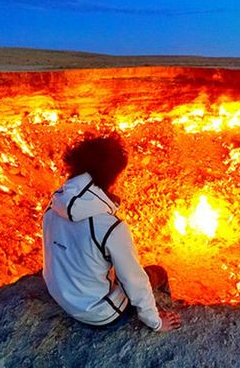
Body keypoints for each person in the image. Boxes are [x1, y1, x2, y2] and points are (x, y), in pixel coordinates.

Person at [42, 135, 181, 332]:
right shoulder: (109, 226)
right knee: (156, 273)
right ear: (112, 176)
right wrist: (155, 322)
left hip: (61, 296)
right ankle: (164, 306)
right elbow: (134, 280)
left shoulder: (54, 206)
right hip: (100, 313)